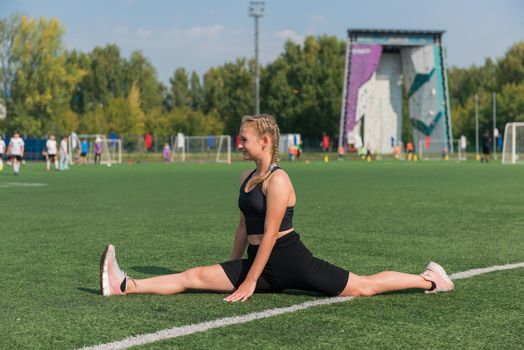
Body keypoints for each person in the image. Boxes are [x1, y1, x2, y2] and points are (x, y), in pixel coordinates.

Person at [100, 114, 454, 299]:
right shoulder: (245, 176)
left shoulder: (278, 180)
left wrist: (250, 282)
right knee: (193, 276)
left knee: (363, 286)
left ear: (265, 141)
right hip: (257, 263)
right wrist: (236, 266)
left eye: (244, 139)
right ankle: (126, 285)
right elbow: (243, 227)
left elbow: (270, 233)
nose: (239, 143)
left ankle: (430, 281)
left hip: (290, 260)